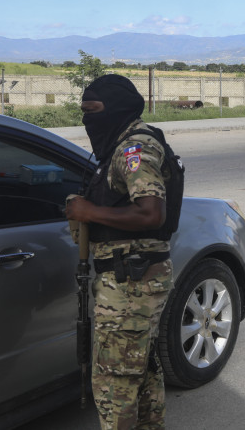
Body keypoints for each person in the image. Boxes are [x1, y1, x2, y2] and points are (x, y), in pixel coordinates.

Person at [65, 74, 174, 429]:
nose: (86, 118)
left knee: (115, 382)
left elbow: (151, 212)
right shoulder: (118, 146)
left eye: (92, 110)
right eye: (82, 110)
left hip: (131, 283)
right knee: (139, 372)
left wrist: (88, 212)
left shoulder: (134, 149)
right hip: (133, 280)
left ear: (115, 108)